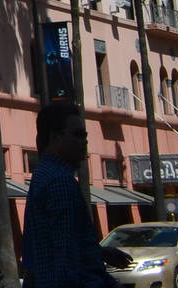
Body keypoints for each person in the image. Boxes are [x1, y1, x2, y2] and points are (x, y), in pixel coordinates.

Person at [22, 102, 118, 288]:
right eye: (77, 135)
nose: (84, 142)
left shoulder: (42, 174)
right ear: (55, 137)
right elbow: (65, 254)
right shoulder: (60, 182)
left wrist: (99, 253)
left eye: (84, 136)